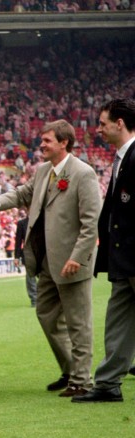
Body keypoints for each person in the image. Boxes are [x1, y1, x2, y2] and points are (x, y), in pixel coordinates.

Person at [0, 120, 100, 397]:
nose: (40, 145)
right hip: (45, 261)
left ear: (64, 143)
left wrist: (78, 257)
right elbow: (22, 194)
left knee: (78, 322)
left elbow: (91, 223)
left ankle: (82, 381)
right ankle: (71, 370)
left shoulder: (84, 173)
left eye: (46, 140)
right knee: (46, 315)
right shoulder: (44, 170)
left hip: (71, 262)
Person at [74, 99, 135, 403]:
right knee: (117, 320)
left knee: (119, 318)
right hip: (123, 258)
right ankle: (109, 383)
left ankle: (109, 381)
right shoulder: (123, 157)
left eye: (102, 123)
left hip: (132, 255)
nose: (98, 129)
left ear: (119, 123)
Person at [14, 214, 36, 307]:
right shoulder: (21, 223)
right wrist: (16, 257)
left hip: (42, 253)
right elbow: (18, 242)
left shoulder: (43, 220)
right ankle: (34, 299)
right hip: (28, 254)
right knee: (30, 277)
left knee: (44, 277)